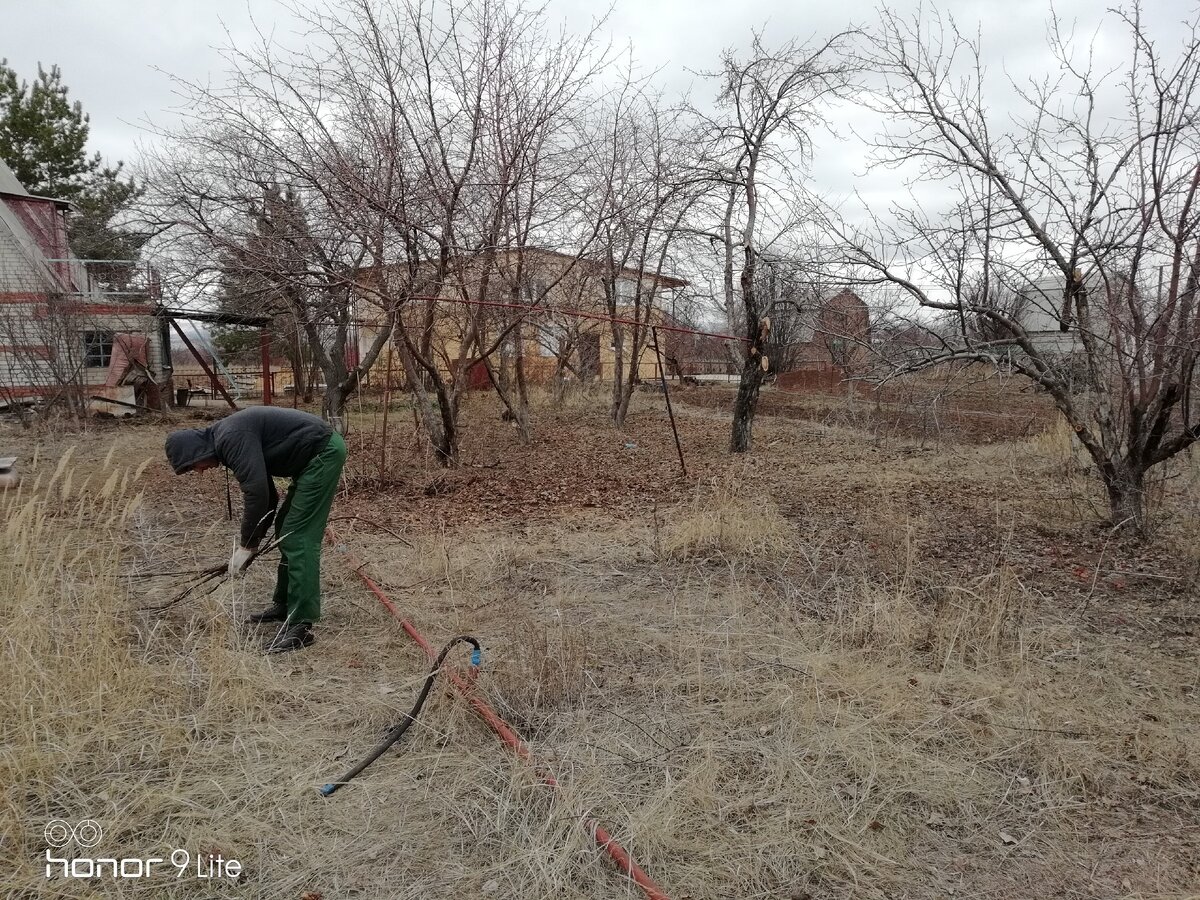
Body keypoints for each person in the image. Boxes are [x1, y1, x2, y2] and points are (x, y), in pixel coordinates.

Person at [164, 407, 347, 653]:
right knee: (286, 528)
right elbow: (269, 496)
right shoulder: (226, 438)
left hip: (322, 452)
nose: (199, 471)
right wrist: (254, 542)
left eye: (192, 465)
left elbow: (257, 494)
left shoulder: (230, 438)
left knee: (298, 536)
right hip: (313, 456)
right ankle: (285, 604)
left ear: (195, 450)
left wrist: (246, 545)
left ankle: (301, 625)